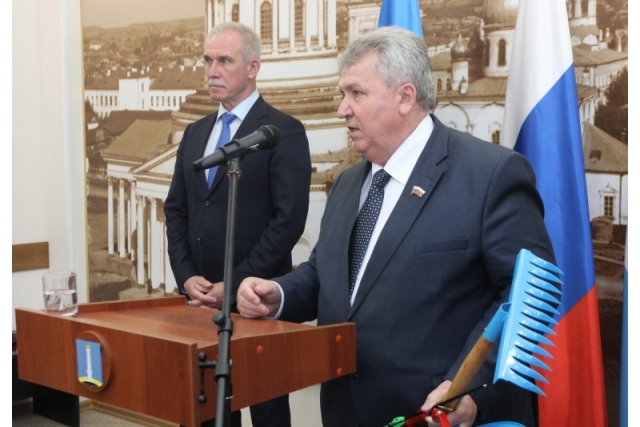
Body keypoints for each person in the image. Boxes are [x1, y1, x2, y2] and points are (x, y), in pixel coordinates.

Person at [236, 26, 555, 427]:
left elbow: (527, 298)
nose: (342, 109)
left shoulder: (489, 174)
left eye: (356, 93)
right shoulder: (348, 183)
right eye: (342, 94)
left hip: (438, 415)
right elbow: (328, 275)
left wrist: (471, 390)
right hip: (345, 413)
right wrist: (279, 295)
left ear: (405, 97)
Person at [164, 22, 311, 427]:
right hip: (199, 304)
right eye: (208, 60)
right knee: (209, 411)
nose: (212, 71)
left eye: (224, 61)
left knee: (266, 412)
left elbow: (288, 222)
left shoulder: (282, 132)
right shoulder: (195, 133)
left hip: (257, 301)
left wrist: (234, 283)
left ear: (253, 67)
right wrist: (186, 276)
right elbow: (176, 210)